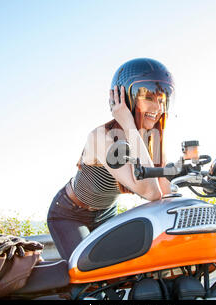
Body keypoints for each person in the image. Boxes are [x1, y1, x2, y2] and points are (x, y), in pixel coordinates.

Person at [47, 58, 175, 260]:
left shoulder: (152, 139)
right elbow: (151, 192)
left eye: (161, 100)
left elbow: (164, 194)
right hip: (70, 214)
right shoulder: (101, 137)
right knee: (86, 272)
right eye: (149, 98)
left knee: (119, 273)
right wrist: (128, 124)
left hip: (105, 213)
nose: (158, 108)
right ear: (124, 98)